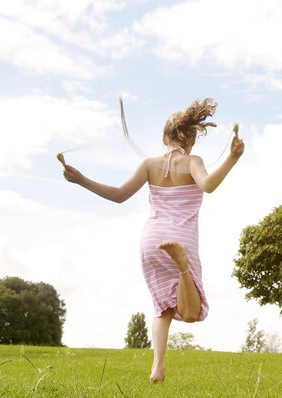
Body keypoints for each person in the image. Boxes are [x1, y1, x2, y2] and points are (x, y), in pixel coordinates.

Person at [62, 98, 244, 383]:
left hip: (151, 241)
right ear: (192, 139)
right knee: (192, 313)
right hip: (180, 239)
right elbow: (207, 186)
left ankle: (157, 367)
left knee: (163, 308)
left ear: (163, 138)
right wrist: (232, 158)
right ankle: (182, 265)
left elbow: (120, 195)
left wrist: (81, 179)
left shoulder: (148, 164)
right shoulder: (193, 161)